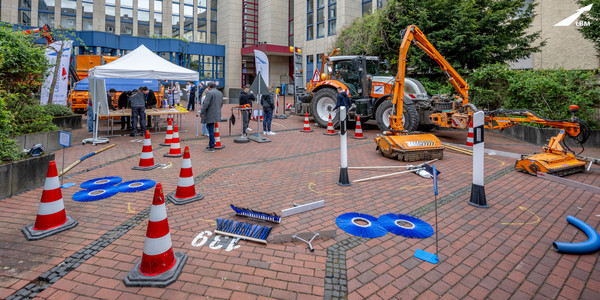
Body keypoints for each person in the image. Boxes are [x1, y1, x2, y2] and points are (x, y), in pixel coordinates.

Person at [200, 82, 223, 152]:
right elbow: (221, 103)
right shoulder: (220, 93)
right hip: (217, 113)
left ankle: (211, 146)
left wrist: (202, 112)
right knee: (210, 128)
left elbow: (206, 104)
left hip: (210, 114)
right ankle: (212, 143)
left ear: (209, 87)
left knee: (210, 129)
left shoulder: (210, 93)